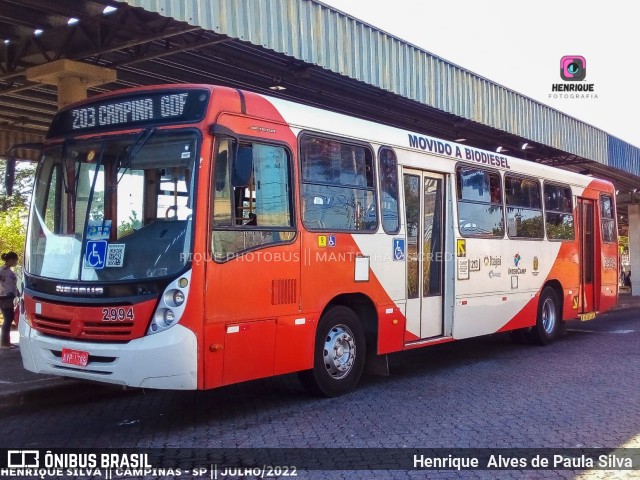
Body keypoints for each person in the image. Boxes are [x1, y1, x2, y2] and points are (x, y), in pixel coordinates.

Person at [0, 251, 19, 348]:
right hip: (5, 297)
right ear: (11, 260)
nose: (16, 262)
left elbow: (12, 284)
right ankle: (4, 343)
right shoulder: (2, 270)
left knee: (9, 318)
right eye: (16, 260)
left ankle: (7, 341)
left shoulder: (9, 271)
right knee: (8, 319)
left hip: (9, 297)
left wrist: (17, 292)